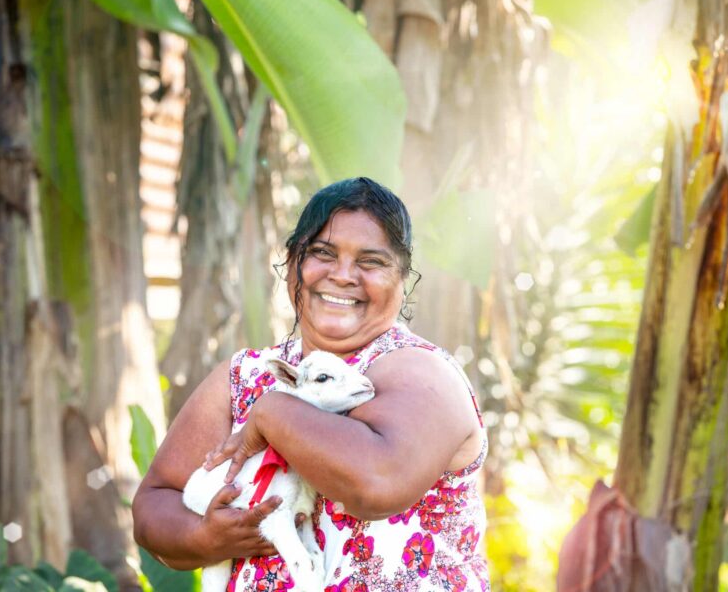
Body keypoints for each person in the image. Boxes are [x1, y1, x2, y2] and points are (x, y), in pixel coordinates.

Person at [133, 177, 489, 591]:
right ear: (293, 263)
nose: (343, 275)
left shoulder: (422, 373)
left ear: (402, 278)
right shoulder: (244, 376)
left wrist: (272, 412)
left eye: (371, 262)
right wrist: (206, 537)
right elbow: (154, 502)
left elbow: (376, 484)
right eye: (322, 253)